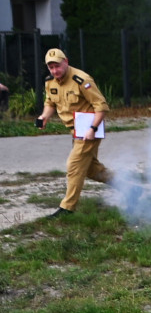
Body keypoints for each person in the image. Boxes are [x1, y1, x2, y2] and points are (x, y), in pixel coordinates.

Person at [34, 48, 113, 218]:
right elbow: (50, 103)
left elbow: (101, 106)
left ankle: (67, 209)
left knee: (74, 166)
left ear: (66, 62)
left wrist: (92, 129)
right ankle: (131, 188)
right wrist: (44, 117)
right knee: (91, 170)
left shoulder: (82, 79)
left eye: (58, 66)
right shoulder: (50, 82)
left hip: (89, 129)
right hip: (75, 130)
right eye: (51, 67)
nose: (55, 71)